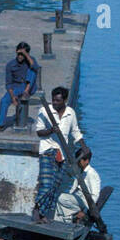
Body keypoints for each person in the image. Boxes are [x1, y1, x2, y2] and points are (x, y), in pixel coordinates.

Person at [32, 87, 84, 223]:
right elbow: (39, 132)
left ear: (65, 100)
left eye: (58, 101)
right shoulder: (45, 111)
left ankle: (44, 214)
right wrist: (50, 130)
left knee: (55, 186)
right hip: (48, 151)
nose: (55, 103)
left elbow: (75, 132)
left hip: (63, 154)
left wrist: (84, 146)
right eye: (53, 100)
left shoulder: (70, 113)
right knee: (46, 184)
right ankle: (37, 209)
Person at [0, 42, 38, 132]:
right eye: (19, 54)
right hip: (17, 87)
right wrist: (13, 97)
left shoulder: (31, 60)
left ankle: (26, 92)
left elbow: (36, 67)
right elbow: (8, 84)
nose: (20, 57)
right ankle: (0, 125)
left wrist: (26, 55)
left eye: (22, 55)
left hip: (29, 86)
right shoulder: (10, 65)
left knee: (32, 70)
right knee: (4, 101)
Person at [53, 146, 100, 223]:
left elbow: (94, 196)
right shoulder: (81, 171)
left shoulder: (91, 174)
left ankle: (68, 219)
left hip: (84, 201)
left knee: (60, 198)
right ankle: (60, 221)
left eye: (80, 160)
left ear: (86, 161)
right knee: (58, 202)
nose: (78, 162)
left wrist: (85, 211)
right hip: (77, 198)